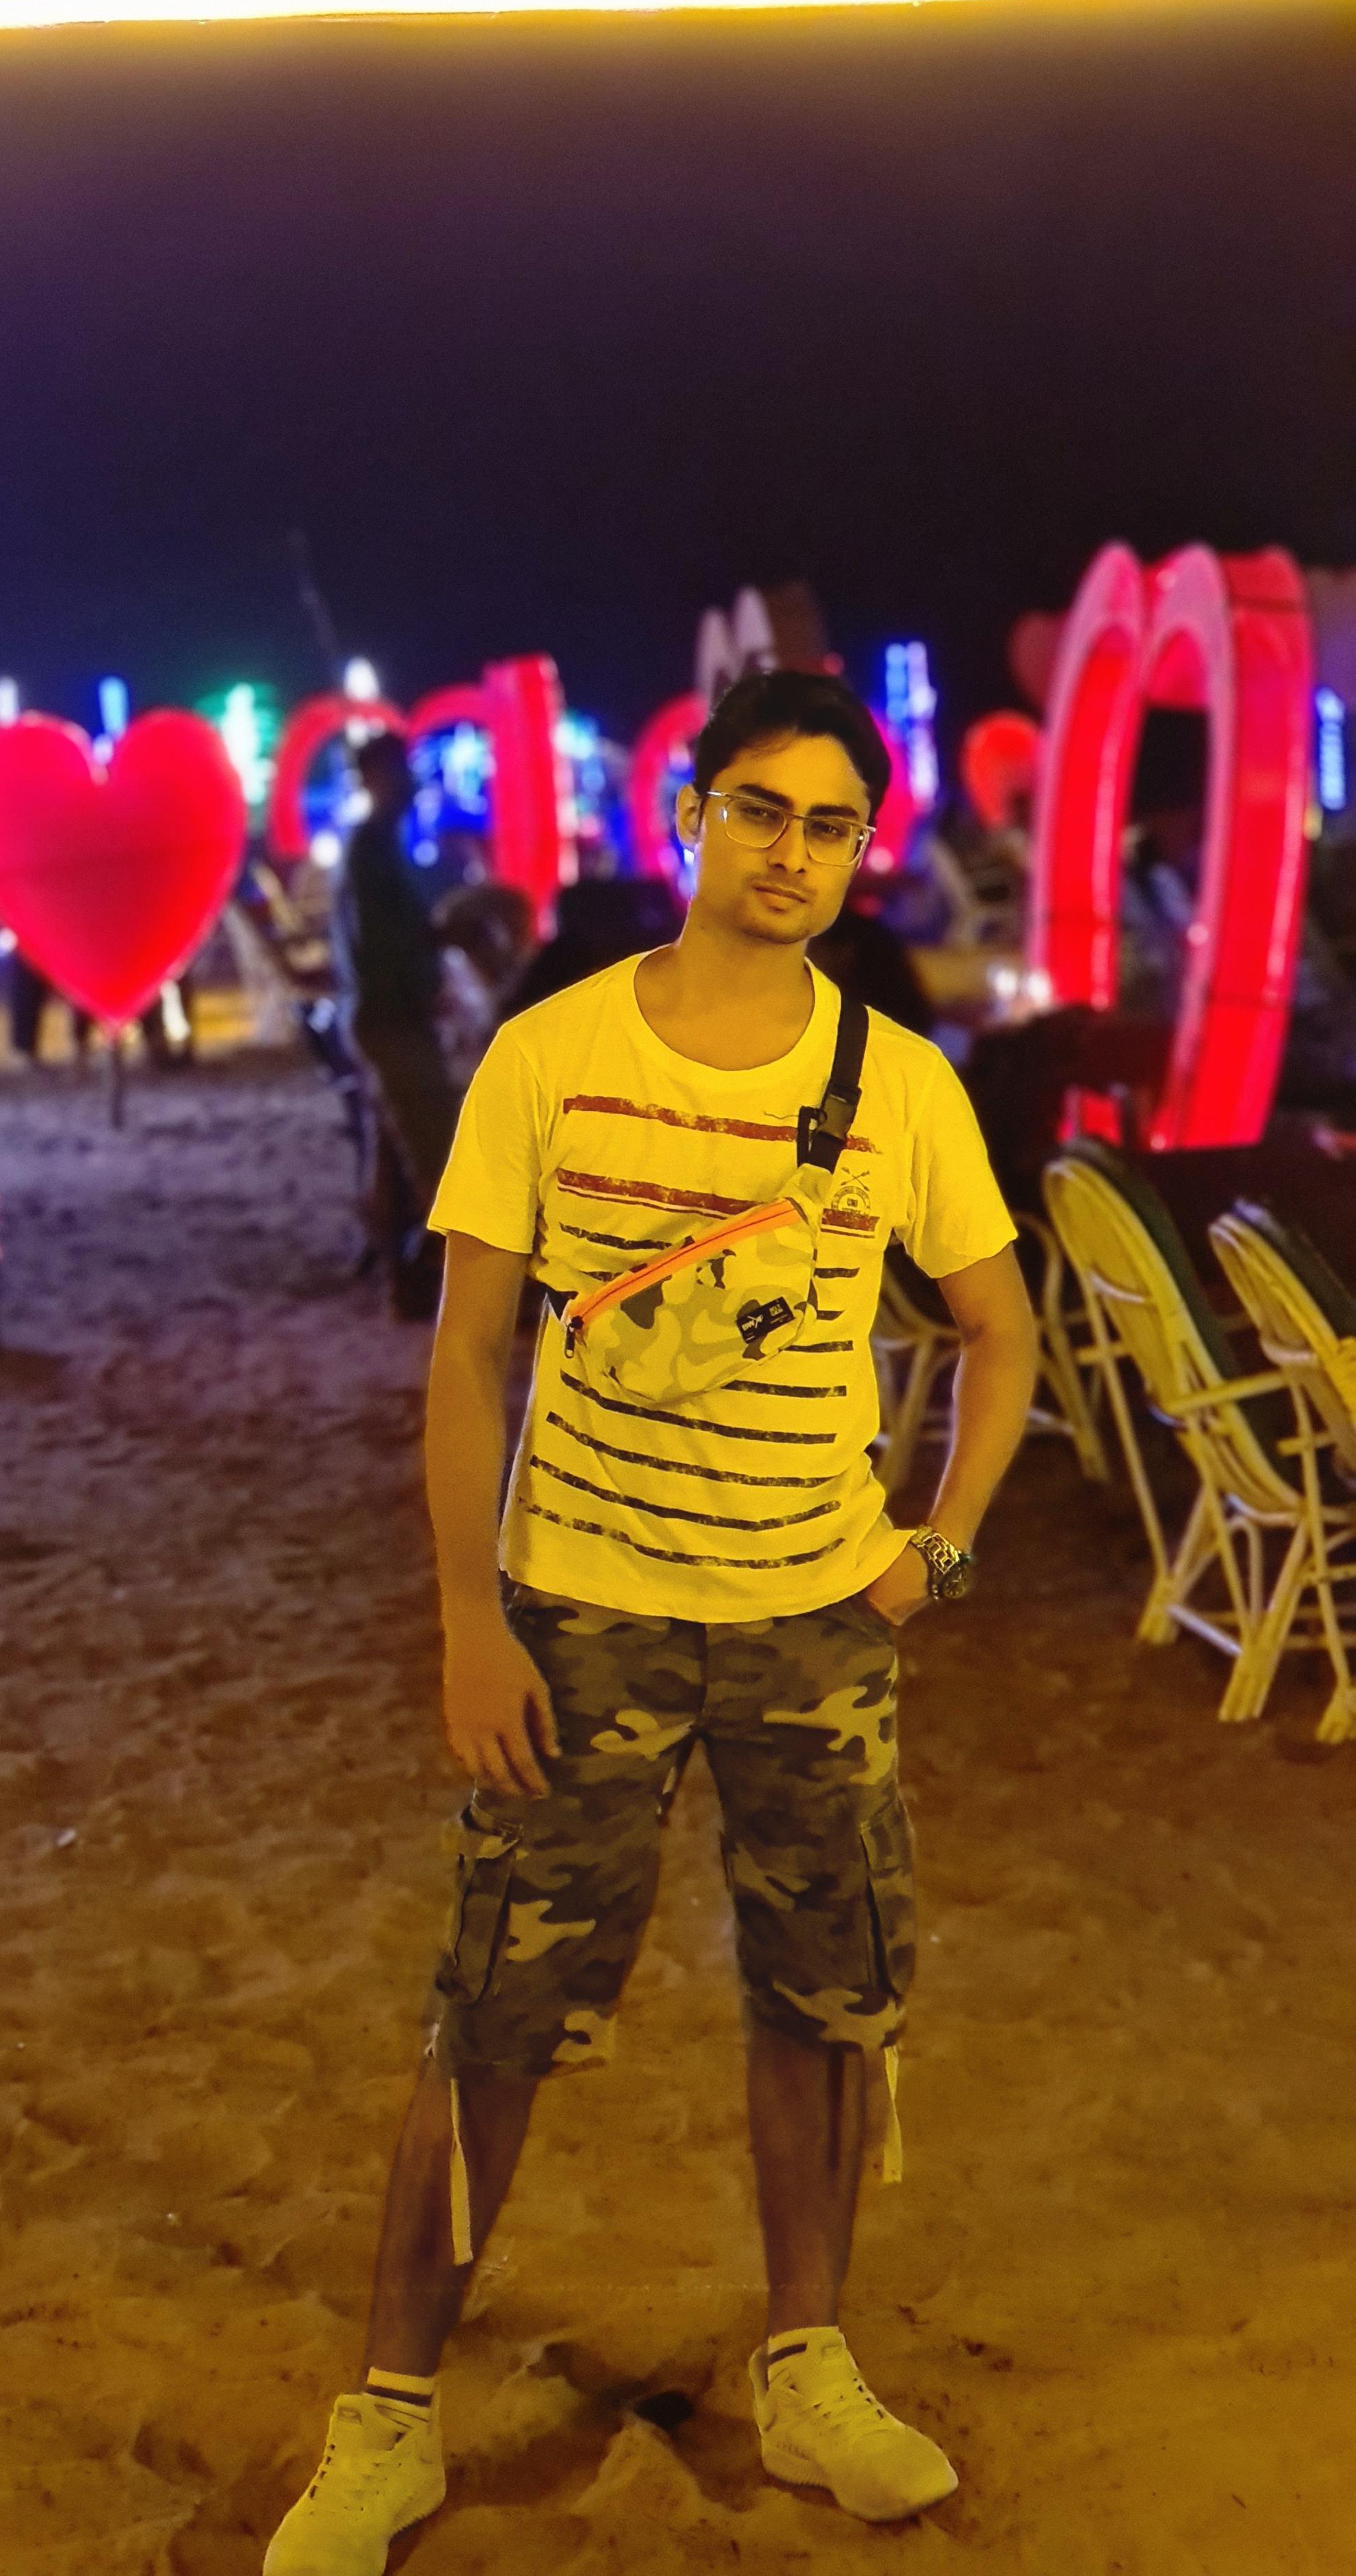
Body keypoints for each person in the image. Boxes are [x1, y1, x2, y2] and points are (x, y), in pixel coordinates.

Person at [264, 669, 1038, 2574]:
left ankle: (807, 2364)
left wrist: (933, 1553)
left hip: (811, 1624)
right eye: (760, 810)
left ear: (861, 856)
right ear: (689, 817)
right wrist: (468, 1614)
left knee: (824, 2001)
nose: (792, 854)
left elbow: (998, 1332)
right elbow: (469, 1353)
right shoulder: (551, 1055)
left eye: (832, 826)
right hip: (584, 1614)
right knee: (495, 2010)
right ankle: (386, 2422)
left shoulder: (899, 1083)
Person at [332, 733, 461, 1318]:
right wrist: (424, 970)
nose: (409, 782)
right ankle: (444, 1286)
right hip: (391, 1016)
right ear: (375, 777)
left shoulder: (378, 847)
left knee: (395, 1158)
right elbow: (381, 943)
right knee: (435, 1155)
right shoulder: (371, 851)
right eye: (397, 771)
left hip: (384, 1014)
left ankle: (403, 1283)